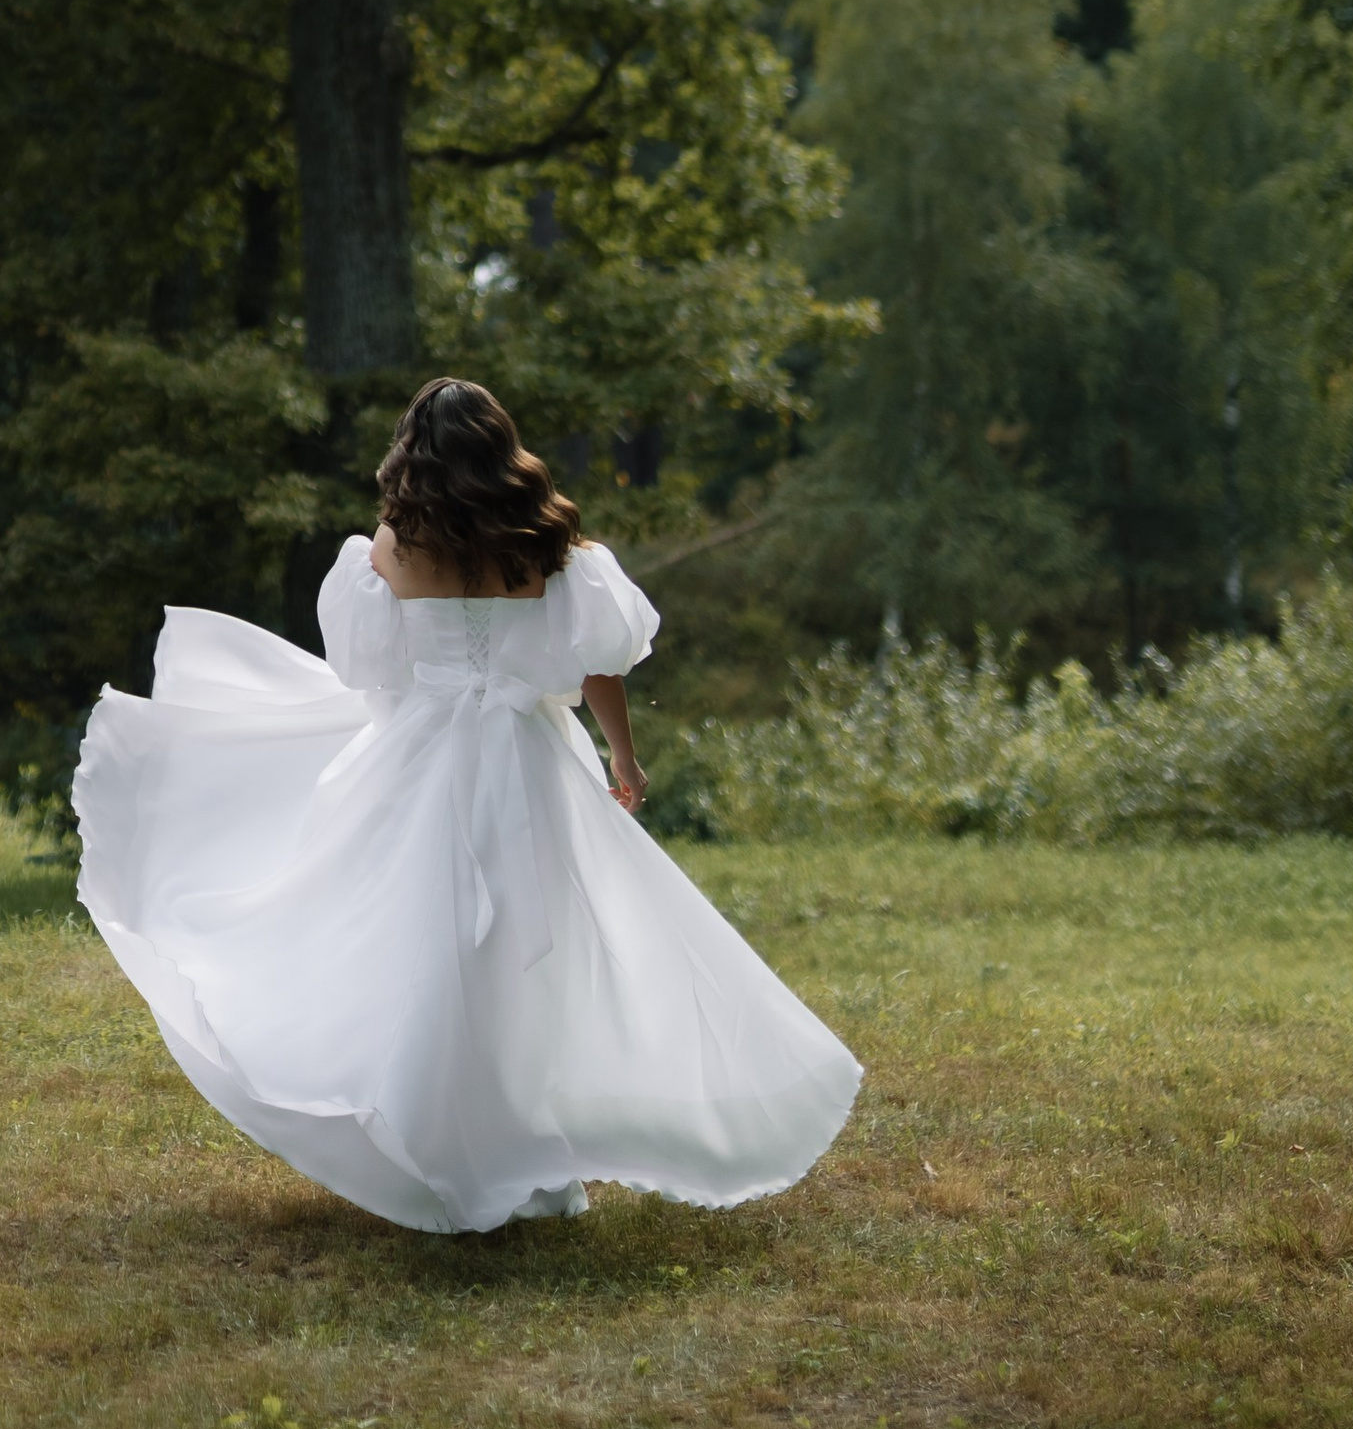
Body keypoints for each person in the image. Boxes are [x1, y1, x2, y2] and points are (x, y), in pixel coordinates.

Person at [75, 373, 861, 1235]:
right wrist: (622, 756)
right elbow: (598, 663)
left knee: (429, 951)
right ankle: (524, 1155)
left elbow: (368, 671)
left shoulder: (391, 548)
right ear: (502, 446)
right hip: (530, 763)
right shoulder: (554, 547)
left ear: (413, 454)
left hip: (422, 763)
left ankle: (447, 1152)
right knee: (530, 964)